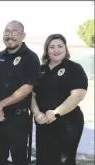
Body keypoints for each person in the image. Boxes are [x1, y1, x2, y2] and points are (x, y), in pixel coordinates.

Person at [0, 20, 41, 165]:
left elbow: (28, 87)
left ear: (23, 35)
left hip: (18, 119)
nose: (10, 35)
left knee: (19, 160)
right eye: (7, 32)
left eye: (14, 32)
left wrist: (0, 105)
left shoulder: (31, 58)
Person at [31, 34, 88, 165]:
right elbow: (31, 95)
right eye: (52, 47)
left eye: (60, 46)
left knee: (64, 161)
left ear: (66, 49)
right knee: (44, 159)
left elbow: (78, 95)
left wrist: (56, 112)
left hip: (68, 124)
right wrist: (37, 113)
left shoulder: (74, 69)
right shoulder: (40, 70)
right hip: (43, 122)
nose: (56, 50)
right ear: (47, 50)